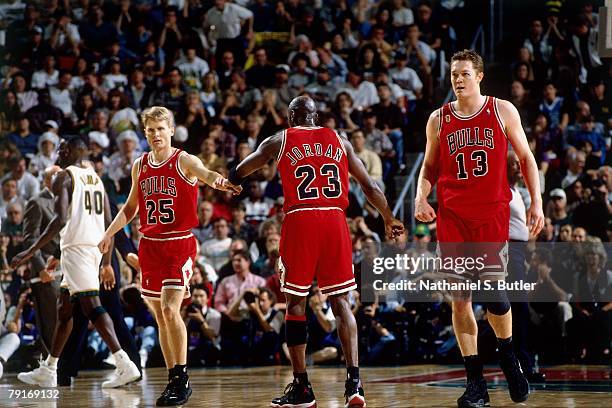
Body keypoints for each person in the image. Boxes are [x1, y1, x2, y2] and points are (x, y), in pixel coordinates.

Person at [227, 96, 404, 408]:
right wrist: (388, 217)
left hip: (301, 220)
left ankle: (302, 387)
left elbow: (244, 167)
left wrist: (232, 181)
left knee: (295, 304)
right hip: (336, 221)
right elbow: (370, 185)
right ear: (316, 117)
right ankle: (354, 382)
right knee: (341, 303)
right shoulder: (340, 140)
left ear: (290, 116)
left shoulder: (280, 139)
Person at [414, 50, 545, 408]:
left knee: (495, 297)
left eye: (464, 74)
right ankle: (475, 383)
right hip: (452, 217)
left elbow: (526, 158)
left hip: (491, 214)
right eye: (454, 74)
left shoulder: (502, 110)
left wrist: (537, 201)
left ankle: (508, 358)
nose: (458, 79)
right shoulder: (438, 120)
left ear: (479, 76)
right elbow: (427, 169)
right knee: (459, 300)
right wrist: (419, 198)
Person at [98, 106, 240, 406]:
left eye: (160, 128)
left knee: (170, 306)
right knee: (161, 316)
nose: (155, 134)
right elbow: (129, 209)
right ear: (145, 133)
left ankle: (182, 377)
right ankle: (173, 376)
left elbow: (206, 174)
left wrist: (221, 182)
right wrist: (109, 233)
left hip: (179, 243)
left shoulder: (183, 159)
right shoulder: (140, 165)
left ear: (171, 130)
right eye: (150, 130)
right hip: (149, 245)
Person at [10, 137, 141, 388]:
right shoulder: (96, 179)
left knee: (92, 307)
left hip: (77, 249)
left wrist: (30, 251)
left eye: (63, 148)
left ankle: (124, 363)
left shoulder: (64, 177)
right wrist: (103, 260)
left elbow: (60, 219)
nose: (59, 153)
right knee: (65, 309)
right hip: (88, 250)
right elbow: (109, 225)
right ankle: (49, 369)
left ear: (76, 151)